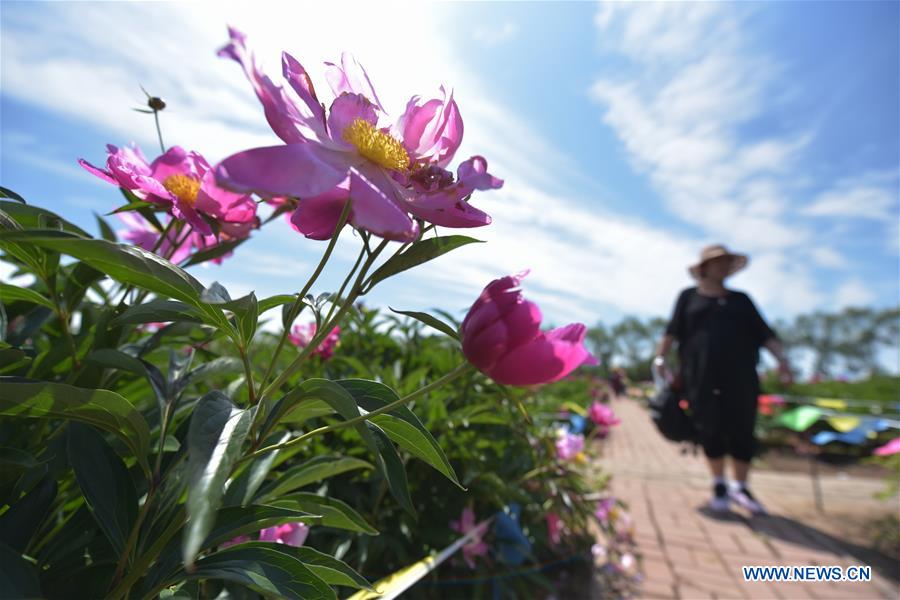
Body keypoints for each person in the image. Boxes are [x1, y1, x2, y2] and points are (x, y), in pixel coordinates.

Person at [653, 244, 792, 515]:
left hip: (741, 378)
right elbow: (671, 331)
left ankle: (741, 486)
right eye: (718, 262)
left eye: (727, 262)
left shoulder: (742, 300)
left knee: (743, 430)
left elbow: (766, 335)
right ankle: (719, 483)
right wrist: (661, 358)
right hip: (701, 377)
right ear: (704, 268)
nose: (723, 267)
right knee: (710, 429)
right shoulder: (688, 298)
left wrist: (783, 361)